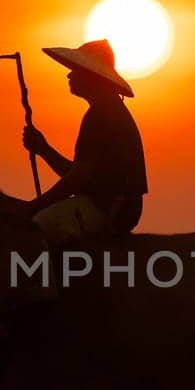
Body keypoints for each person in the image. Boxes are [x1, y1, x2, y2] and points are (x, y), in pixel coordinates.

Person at [22, 38, 148, 243]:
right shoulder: (108, 111)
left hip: (109, 209)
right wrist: (43, 149)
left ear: (92, 76)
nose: (69, 74)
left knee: (35, 229)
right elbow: (81, 174)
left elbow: (77, 178)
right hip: (114, 207)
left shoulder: (101, 115)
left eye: (76, 69)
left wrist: (34, 206)